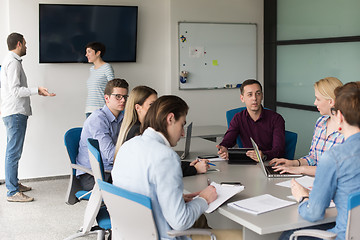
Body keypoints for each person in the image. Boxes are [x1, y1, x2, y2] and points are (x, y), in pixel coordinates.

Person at [112, 95, 243, 240]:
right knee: (243, 237)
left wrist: (176, 199)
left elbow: (140, 191)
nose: (182, 133)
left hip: (130, 234)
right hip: (161, 235)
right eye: (182, 125)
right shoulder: (165, 156)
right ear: (170, 119)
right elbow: (181, 222)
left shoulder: (128, 146)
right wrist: (204, 199)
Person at [279, 81, 360, 240]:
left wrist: (303, 198)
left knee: (287, 235)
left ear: (340, 116)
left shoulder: (335, 157)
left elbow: (314, 214)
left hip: (345, 235)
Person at [1, 32, 56, 202]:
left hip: (13, 112)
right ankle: (12, 192)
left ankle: (14, 184)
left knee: (14, 151)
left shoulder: (10, 61)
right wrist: (37, 90)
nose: (26, 46)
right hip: (15, 112)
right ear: (18, 44)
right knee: (13, 152)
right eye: (25, 43)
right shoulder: (13, 63)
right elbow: (15, 91)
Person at [114, 86, 209, 176]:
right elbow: (162, 169)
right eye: (152, 105)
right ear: (138, 108)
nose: (156, 109)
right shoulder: (139, 132)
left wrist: (187, 165)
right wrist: (194, 169)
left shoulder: (134, 129)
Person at [270, 77, 344, 176]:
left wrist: (301, 169)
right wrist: (293, 163)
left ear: (331, 102)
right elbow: (313, 157)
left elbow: (335, 170)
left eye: (318, 99)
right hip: (313, 180)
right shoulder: (321, 122)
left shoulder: (348, 130)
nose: (315, 103)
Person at [76, 78, 128, 191]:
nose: (123, 100)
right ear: (107, 98)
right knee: (135, 188)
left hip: (110, 169)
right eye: (118, 96)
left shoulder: (122, 118)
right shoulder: (98, 119)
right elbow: (110, 155)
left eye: (125, 97)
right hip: (93, 175)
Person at [217, 79, 285, 162]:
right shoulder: (238, 118)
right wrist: (223, 147)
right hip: (247, 163)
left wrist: (264, 155)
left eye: (258, 94)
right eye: (250, 95)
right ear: (242, 98)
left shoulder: (276, 119)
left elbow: (279, 151)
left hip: (269, 163)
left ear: (262, 96)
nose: (254, 98)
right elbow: (228, 140)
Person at [84, 42, 114, 118]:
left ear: (98, 53)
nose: (86, 55)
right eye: (86, 52)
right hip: (89, 109)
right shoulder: (92, 69)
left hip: (101, 109)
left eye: (89, 52)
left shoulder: (106, 67)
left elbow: (113, 87)